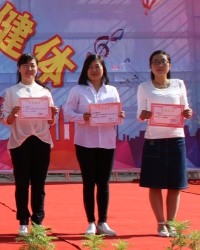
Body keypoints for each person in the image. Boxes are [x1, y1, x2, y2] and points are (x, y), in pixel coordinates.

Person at [63, 55, 125, 237]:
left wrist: (119, 115)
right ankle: (90, 222)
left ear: (103, 69)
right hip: (85, 142)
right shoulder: (77, 90)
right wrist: (83, 117)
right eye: (90, 67)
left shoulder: (112, 91)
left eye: (97, 66)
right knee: (89, 182)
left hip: (107, 142)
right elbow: (68, 113)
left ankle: (103, 222)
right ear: (85, 70)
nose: (94, 70)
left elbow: (117, 116)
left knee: (104, 183)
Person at [136, 50, 193, 237]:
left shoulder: (179, 84)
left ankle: (171, 223)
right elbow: (140, 115)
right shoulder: (144, 87)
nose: (159, 65)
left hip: (176, 138)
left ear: (169, 65)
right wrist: (143, 115)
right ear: (150, 66)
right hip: (154, 140)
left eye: (163, 62)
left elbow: (186, 109)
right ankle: (161, 224)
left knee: (175, 185)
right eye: (155, 62)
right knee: (155, 184)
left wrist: (188, 113)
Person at [0, 53, 59, 235]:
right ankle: (23, 221)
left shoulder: (45, 92)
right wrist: (12, 115)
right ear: (19, 68)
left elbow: (51, 121)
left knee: (39, 184)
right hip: (20, 141)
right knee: (22, 183)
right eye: (25, 65)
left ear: (37, 68)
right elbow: (4, 118)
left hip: (42, 140)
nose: (29, 69)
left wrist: (52, 114)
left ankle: (38, 221)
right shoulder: (12, 92)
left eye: (32, 65)